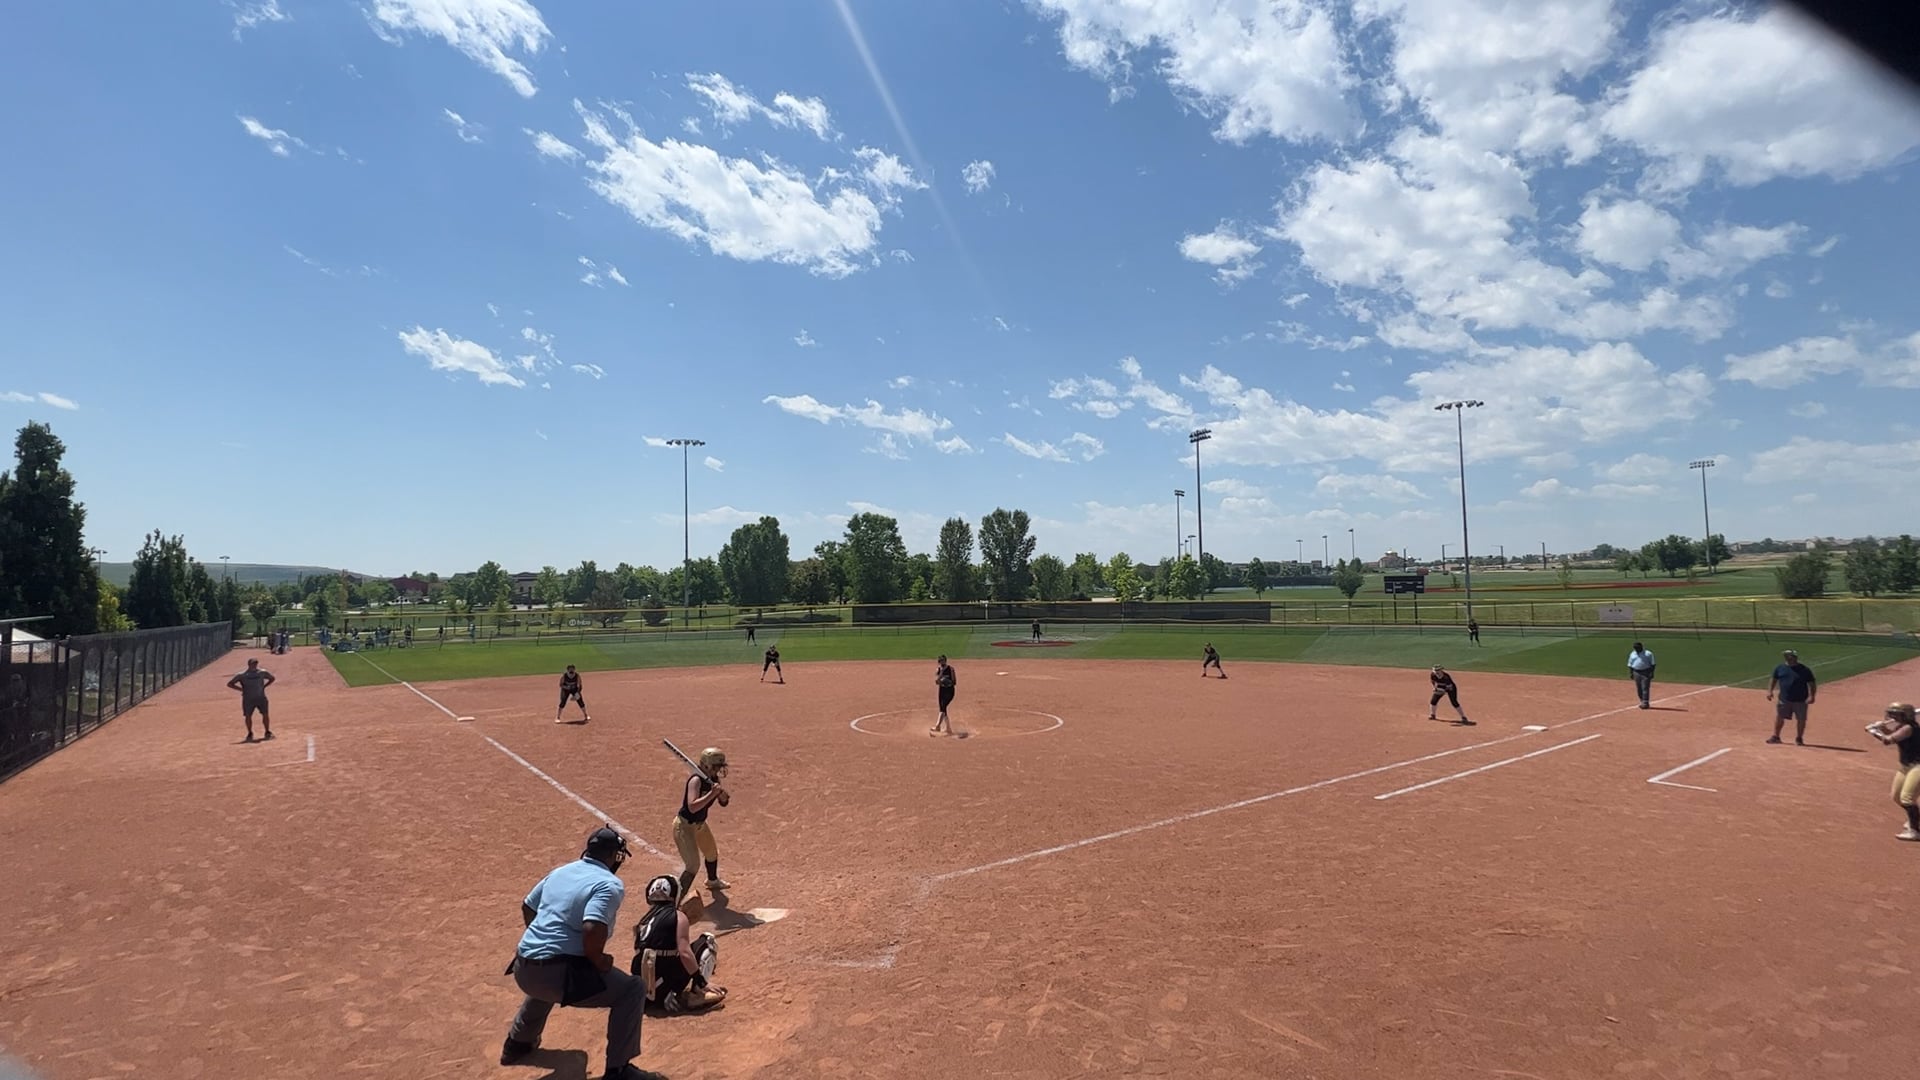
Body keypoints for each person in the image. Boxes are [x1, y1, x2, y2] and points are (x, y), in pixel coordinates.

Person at [500, 826, 662, 1080]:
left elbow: (528, 906)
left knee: (548, 965)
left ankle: (517, 1044)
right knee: (632, 989)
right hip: (558, 976)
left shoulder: (560, 872)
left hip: (523, 966)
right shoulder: (608, 884)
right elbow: (592, 927)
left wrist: (543, 939)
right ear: (613, 856)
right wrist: (598, 959)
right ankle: (619, 1070)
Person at [630, 875, 726, 1013]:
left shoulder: (643, 922)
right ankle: (697, 993)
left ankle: (660, 993)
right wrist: (701, 981)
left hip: (643, 993)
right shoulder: (678, 916)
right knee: (707, 941)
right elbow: (684, 952)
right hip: (665, 988)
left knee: (657, 954)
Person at [673, 748, 731, 896]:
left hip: (700, 825)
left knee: (711, 853)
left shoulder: (713, 781)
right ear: (706, 765)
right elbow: (692, 807)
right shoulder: (696, 781)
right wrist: (712, 794)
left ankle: (712, 881)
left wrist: (722, 796)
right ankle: (675, 898)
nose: (718, 770)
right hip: (684, 826)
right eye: (716, 767)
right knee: (693, 865)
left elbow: (723, 803)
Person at [1867, 703, 1920, 841]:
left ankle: (1914, 831)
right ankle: (1914, 819)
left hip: (1917, 767)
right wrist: (1882, 728)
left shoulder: (1909, 728)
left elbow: (1888, 740)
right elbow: (1892, 734)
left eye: (1895, 714)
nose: (1892, 716)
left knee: (1907, 798)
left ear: (1905, 715)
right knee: (1897, 796)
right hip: (1906, 766)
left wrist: (1874, 731)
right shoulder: (1902, 727)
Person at [1765, 649, 1816, 745]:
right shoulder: (1780, 668)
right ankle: (1776, 736)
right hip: (1784, 699)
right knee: (1780, 717)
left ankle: (1799, 738)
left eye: (1789, 655)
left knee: (1801, 719)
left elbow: (1812, 683)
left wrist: (1812, 696)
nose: (1786, 657)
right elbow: (1773, 679)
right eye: (1785, 655)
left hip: (1800, 700)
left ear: (1795, 657)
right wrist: (1770, 691)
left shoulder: (1804, 670)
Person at [226, 658, 275, 743]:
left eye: (256, 663)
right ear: (249, 664)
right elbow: (230, 684)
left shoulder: (262, 672)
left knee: (265, 714)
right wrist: (241, 689)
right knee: (248, 716)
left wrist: (264, 686)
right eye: (253, 663)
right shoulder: (242, 675)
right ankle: (250, 733)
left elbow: (272, 678)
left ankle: (267, 731)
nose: (254, 665)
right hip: (248, 699)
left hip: (261, 698)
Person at [932, 654, 958, 736]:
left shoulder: (951, 669)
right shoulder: (938, 670)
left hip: (949, 691)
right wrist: (941, 674)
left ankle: (937, 726)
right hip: (942, 691)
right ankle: (948, 729)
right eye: (940, 661)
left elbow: (954, 682)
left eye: (942, 661)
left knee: (943, 707)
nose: (941, 662)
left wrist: (948, 682)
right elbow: (936, 681)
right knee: (943, 709)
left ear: (945, 661)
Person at [1627, 642, 1656, 709]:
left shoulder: (1648, 653)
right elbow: (1630, 664)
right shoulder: (1632, 654)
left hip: (1646, 672)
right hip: (1636, 672)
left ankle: (1645, 703)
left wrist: (1652, 673)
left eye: (1638, 648)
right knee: (1639, 688)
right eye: (1635, 648)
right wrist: (1631, 673)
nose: (1636, 649)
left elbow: (1653, 664)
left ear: (1641, 647)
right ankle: (1642, 701)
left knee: (1645, 687)